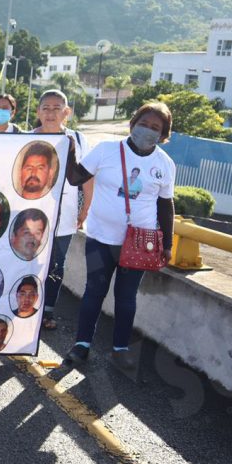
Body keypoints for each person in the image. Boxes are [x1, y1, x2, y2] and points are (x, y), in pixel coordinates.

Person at [64, 102, 176, 370]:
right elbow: (75, 177)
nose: (147, 130)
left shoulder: (165, 164)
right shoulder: (106, 151)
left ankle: (120, 348)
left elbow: (165, 205)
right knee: (94, 292)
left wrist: (168, 244)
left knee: (126, 298)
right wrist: (69, 152)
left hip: (139, 243)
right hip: (101, 238)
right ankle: (82, 345)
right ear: (132, 124)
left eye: (155, 128)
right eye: (143, 124)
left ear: (163, 135)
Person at [34, 89, 89, 330]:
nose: (51, 113)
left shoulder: (77, 139)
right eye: (46, 107)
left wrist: (85, 209)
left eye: (57, 108)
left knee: (56, 264)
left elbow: (86, 177)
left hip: (64, 215)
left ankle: (47, 312)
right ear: (38, 112)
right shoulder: (26, 137)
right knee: (29, 262)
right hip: (32, 213)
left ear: (66, 113)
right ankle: (25, 309)